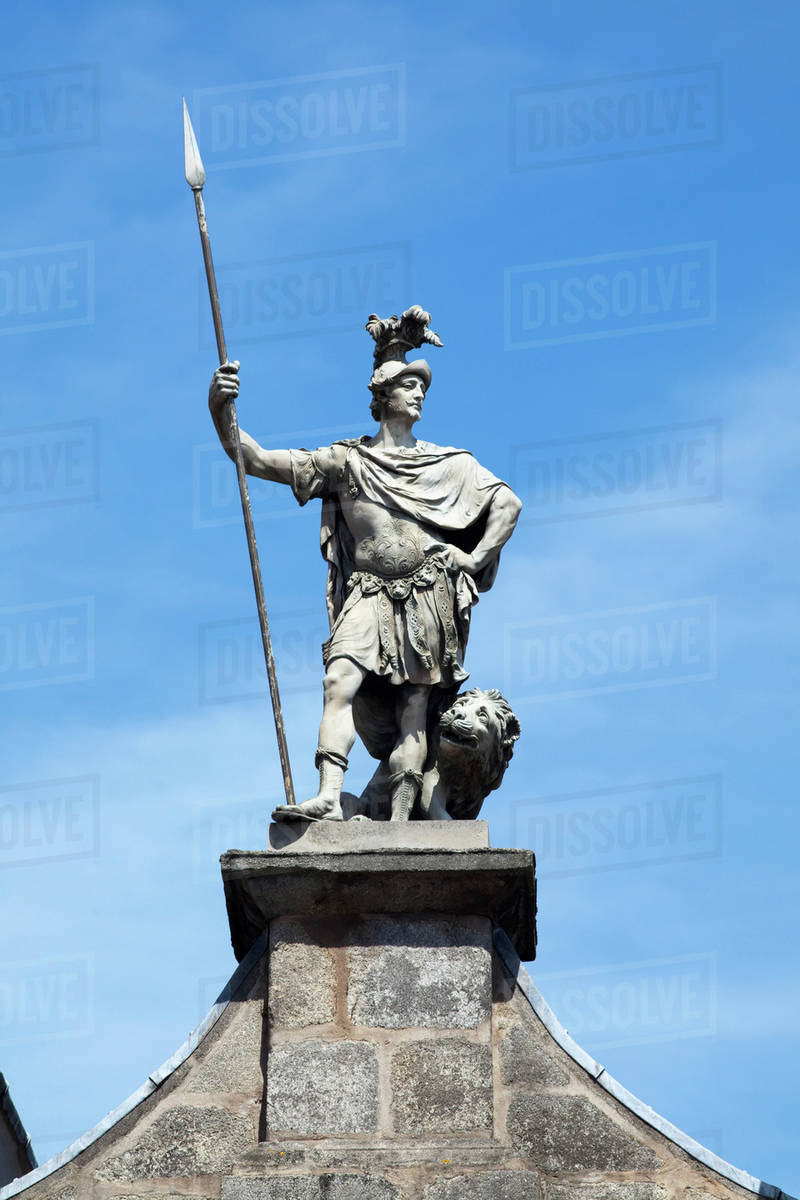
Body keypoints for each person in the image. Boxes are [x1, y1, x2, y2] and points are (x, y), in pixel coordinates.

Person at [208, 307, 521, 822]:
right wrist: (221, 411)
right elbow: (255, 459)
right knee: (339, 681)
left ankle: (400, 818)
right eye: (408, 385)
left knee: (414, 714)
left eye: (422, 387)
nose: (419, 394)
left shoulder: (450, 464)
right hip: (368, 592)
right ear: (383, 397)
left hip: (427, 593)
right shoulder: (346, 461)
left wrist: (473, 557)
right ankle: (330, 792)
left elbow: (508, 505)